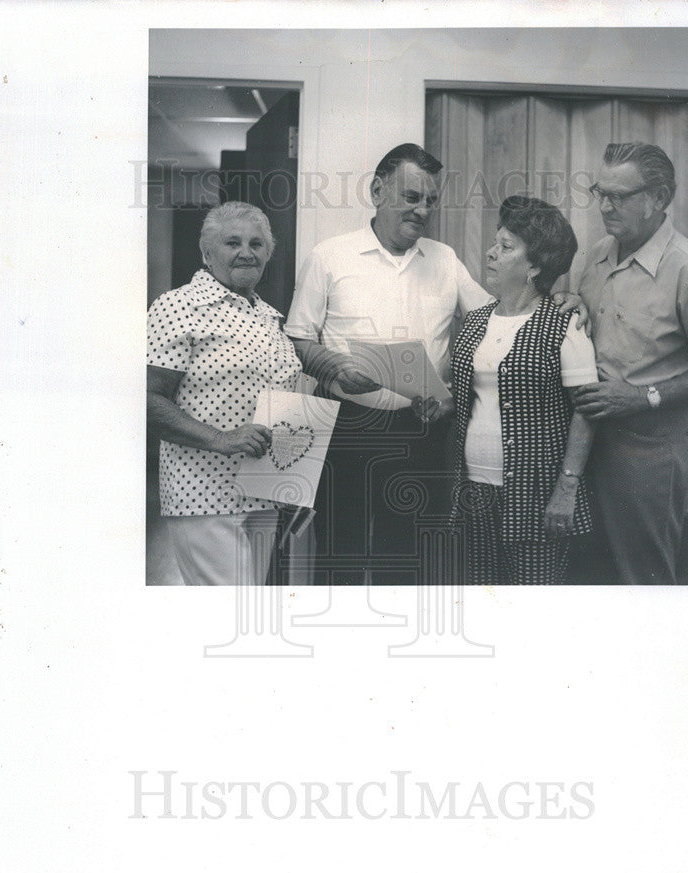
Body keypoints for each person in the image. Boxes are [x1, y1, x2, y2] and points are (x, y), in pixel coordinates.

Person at [284, 143, 589, 585]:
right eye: (412, 197)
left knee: (406, 555)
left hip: (421, 428)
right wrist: (333, 367)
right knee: (339, 552)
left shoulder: (444, 259)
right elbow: (296, 337)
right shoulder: (329, 256)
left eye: (430, 200)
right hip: (345, 426)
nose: (423, 209)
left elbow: (507, 311)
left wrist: (560, 294)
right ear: (377, 190)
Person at [574, 142, 688, 584]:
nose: (605, 205)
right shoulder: (596, 254)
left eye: (619, 196)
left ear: (658, 199)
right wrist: (568, 300)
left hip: (652, 455)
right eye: (601, 192)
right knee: (594, 579)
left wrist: (643, 396)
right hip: (588, 447)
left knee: (645, 583)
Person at [146, 202, 302, 586]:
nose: (246, 252)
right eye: (232, 242)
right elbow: (146, 400)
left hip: (264, 493)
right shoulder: (179, 306)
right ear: (207, 253)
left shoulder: (268, 317)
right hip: (203, 495)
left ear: (268, 253)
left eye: (257, 243)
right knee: (228, 616)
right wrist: (220, 438)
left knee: (247, 617)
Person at [450, 196, 598, 585]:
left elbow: (586, 410)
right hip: (473, 490)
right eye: (496, 243)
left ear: (534, 266)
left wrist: (567, 488)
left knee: (533, 608)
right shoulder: (478, 319)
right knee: (481, 602)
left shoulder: (564, 323)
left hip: (537, 496)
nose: (491, 253)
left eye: (506, 247)